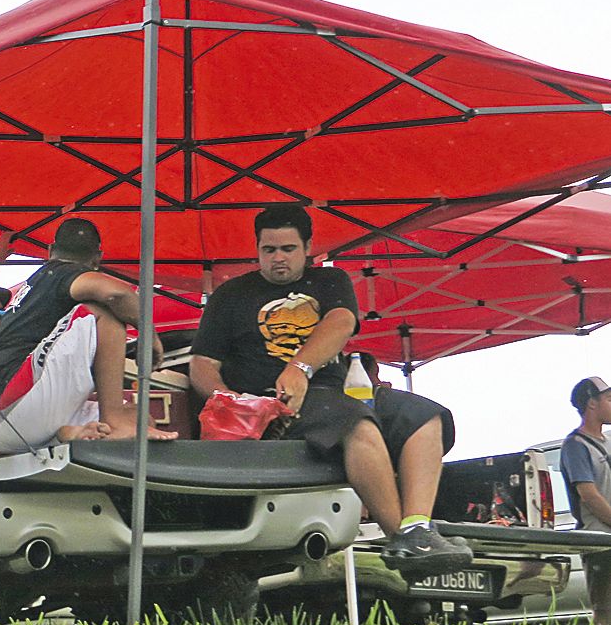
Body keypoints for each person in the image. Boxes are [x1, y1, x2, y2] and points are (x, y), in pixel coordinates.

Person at [189, 203, 472, 573]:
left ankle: (417, 526)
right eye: (268, 250)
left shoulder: (329, 281)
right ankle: (400, 541)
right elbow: (201, 365)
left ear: (308, 248)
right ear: (257, 249)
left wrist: (299, 367)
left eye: (287, 249)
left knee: (424, 415)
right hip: (275, 409)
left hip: (333, 390)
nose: (277, 259)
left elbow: (341, 321)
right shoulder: (231, 296)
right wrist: (230, 401)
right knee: (357, 424)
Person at [0, 219, 173, 452]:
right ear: (98, 258)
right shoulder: (59, 272)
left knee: (140, 418)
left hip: (10, 426)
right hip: (13, 409)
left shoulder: (34, 289)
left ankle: (65, 434)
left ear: (50, 250)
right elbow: (116, 294)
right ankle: (113, 419)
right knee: (102, 312)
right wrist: (151, 336)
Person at [559, 377, 611, 625]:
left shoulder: (607, 443)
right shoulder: (575, 446)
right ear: (592, 404)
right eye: (609, 399)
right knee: (605, 607)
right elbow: (589, 494)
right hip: (599, 538)